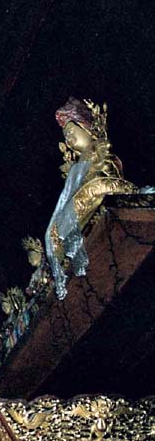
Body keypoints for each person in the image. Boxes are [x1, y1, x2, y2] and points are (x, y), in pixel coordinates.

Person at [47, 98, 136, 298]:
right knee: (56, 233)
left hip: (103, 188)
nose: (69, 138)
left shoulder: (98, 150)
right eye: (66, 136)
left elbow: (110, 172)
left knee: (97, 189)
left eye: (72, 131)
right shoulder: (76, 168)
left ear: (86, 129)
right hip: (86, 199)